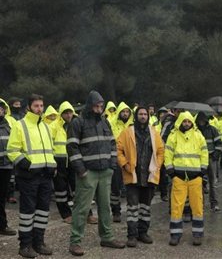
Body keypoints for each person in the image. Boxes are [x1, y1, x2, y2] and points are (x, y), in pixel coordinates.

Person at [67, 91, 125, 256]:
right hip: (88, 173)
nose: (99, 109)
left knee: (105, 207)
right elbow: (72, 147)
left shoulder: (105, 122)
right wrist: (81, 170)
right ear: (89, 105)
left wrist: (112, 165)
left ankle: (107, 237)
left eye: (101, 106)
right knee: (81, 209)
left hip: (105, 171)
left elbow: (113, 144)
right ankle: (75, 242)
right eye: (96, 106)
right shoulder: (78, 122)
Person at [7, 94, 57, 258]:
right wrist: (26, 165)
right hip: (28, 176)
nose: (39, 109)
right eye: (36, 106)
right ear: (29, 107)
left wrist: (53, 165)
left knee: (43, 211)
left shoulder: (46, 127)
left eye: (41, 105)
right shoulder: (20, 125)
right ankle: (25, 245)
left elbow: (51, 150)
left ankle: (39, 242)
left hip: (45, 175)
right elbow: (12, 150)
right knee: (28, 212)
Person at [117, 106, 164, 247]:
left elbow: (161, 151)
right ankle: (131, 235)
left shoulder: (154, 133)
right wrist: (124, 164)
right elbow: (118, 149)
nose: (143, 116)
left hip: (149, 176)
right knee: (132, 208)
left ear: (148, 116)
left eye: (145, 114)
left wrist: (157, 165)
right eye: (140, 114)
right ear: (136, 116)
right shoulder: (127, 132)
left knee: (145, 207)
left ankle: (143, 233)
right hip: (133, 175)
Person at [164, 111, 208, 246]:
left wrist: (203, 170)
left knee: (197, 207)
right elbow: (168, 153)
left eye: (189, 121)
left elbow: (204, 153)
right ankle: (175, 235)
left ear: (192, 122)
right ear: (180, 122)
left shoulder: (198, 135)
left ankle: (198, 234)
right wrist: (171, 171)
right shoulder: (173, 136)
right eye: (184, 121)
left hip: (196, 177)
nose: (187, 124)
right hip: (179, 177)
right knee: (177, 207)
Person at [50, 101, 77, 224]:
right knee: (61, 190)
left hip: (74, 160)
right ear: (61, 114)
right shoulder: (53, 126)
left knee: (79, 189)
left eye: (70, 112)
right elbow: (49, 145)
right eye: (65, 113)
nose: (68, 115)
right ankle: (65, 214)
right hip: (59, 161)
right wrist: (52, 163)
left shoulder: (77, 124)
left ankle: (86, 213)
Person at [109, 102, 133, 222]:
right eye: (123, 111)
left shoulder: (133, 125)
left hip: (130, 160)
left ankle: (131, 211)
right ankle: (116, 211)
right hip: (116, 159)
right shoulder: (112, 124)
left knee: (131, 187)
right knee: (115, 187)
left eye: (127, 111)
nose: (125, 113)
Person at [196, 111, 222, 212]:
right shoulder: (195, 131)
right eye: (200, 120)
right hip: (199, 159)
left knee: (213, 182)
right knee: (199, 183)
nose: (201, 122)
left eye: (203, 120)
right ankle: (200, 204)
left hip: (211, 158)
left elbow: (219, 143)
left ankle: (214, 203)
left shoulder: (213, 130)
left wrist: (216, 154)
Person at [0, 98, 16, 236]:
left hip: (5, 167)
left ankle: (2, 225)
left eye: (1, 108)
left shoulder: (8, 126)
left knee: (2, 198)